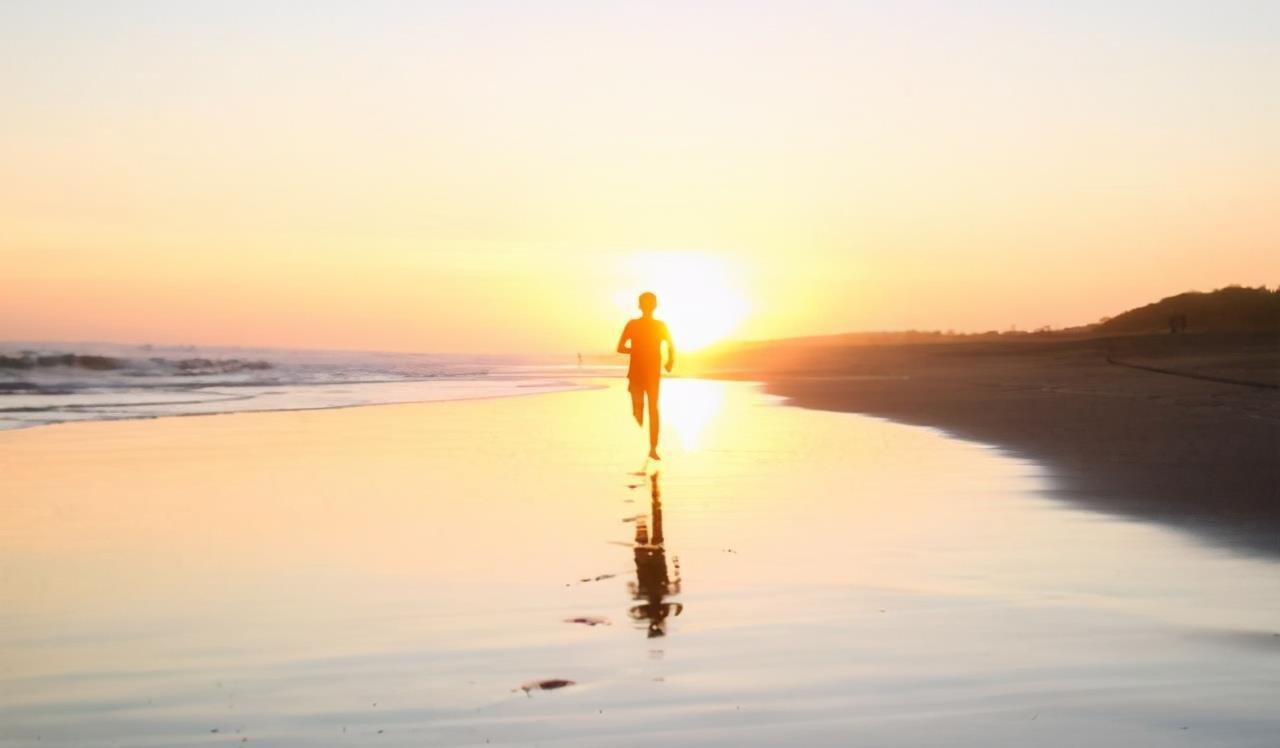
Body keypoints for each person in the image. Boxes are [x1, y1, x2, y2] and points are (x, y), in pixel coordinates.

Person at [616, 292, 675, 459]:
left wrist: (670, 360)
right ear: (640, 306)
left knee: (653, 410)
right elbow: (620, 347)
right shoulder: (632, 324)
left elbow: (671, 345)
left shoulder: (660, 326)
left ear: (655, 306)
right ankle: (637, 412)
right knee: (638, 410)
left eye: (651, 303)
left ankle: (653, 448)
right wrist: (635, 350)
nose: (648, 306)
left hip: (652, 374)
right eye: (645, 303)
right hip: (635, 372)